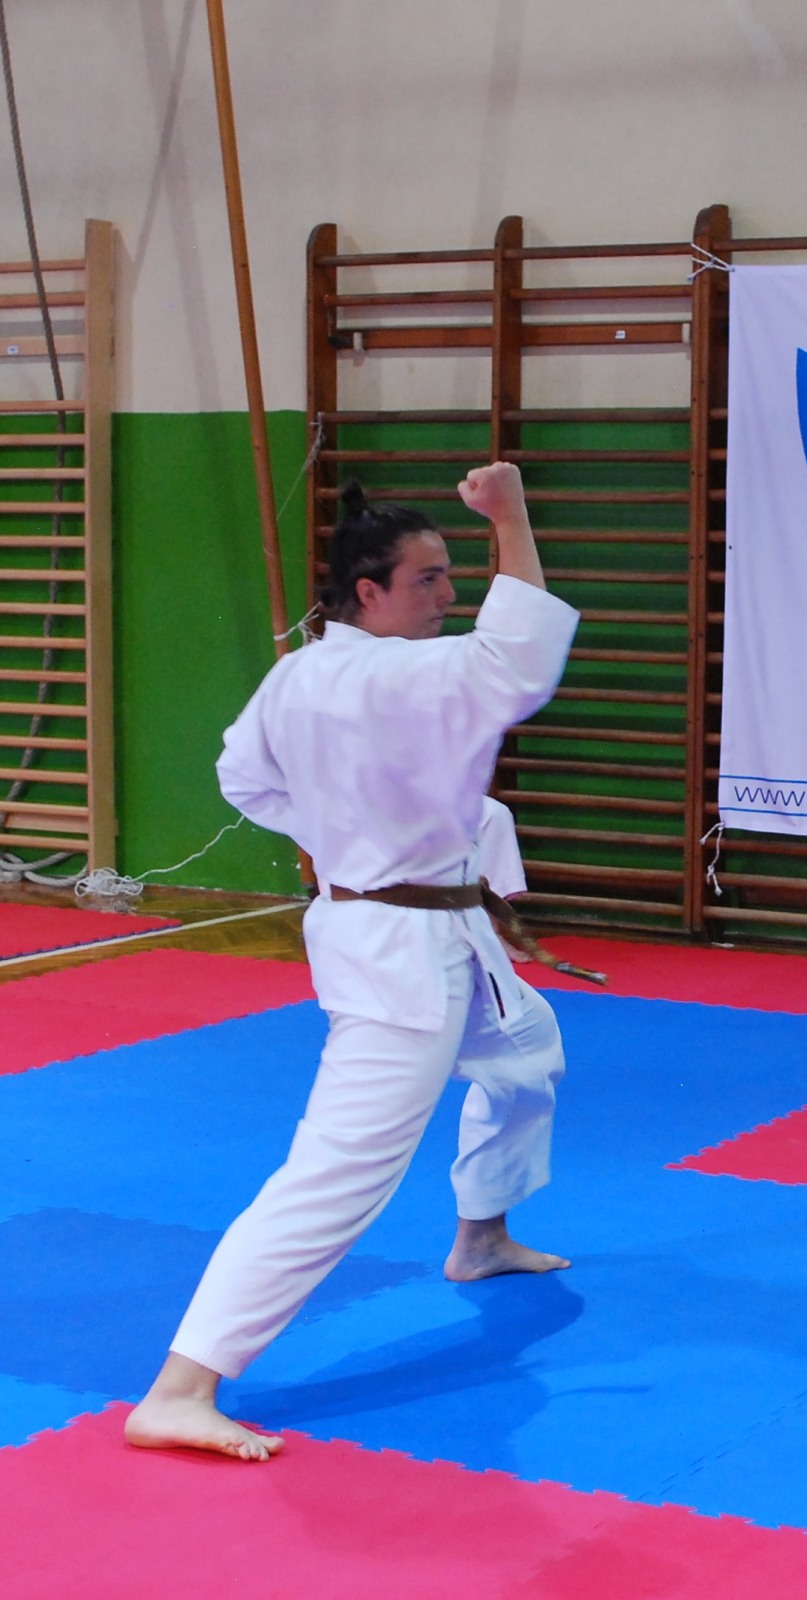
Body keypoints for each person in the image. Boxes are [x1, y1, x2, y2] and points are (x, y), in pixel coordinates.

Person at [125, 463, 579, 1463]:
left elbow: (241, 774)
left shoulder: (299, 674)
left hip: (430, 929)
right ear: (367, 591)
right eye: (427, 578)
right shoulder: (397, 674)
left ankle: (481, 1235)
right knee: (338, 1170)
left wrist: (339, 834)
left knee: (526, 1056)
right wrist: (509, 515)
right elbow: (519, 658)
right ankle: (180, 1386)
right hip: (397, 955)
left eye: (450, 573)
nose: (447, 593)